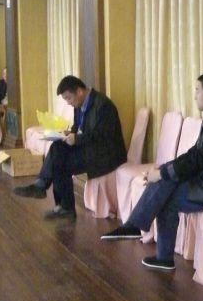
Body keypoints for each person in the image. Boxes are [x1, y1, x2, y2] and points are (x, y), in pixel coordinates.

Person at [100, 72, 203, 270]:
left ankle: (136, 227)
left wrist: (163, 173)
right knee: (165, 188)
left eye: (197, 90)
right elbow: (194, 153)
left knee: (164, 181)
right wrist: (165, 168)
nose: (194, 95)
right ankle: (162, 256)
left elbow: (201, 159)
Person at [13, 75, 127, 219]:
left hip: (106, 154)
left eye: (68, 98)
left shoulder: (103, 106)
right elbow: (78, 128)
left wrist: (76, 138)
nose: (68, 103)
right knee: (57, 147)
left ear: (79, 91)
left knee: (61, 162)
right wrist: (68, 134)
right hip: (89, 148)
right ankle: (43, 187)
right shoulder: (79, 104)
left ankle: (61, 204)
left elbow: (102, 136)